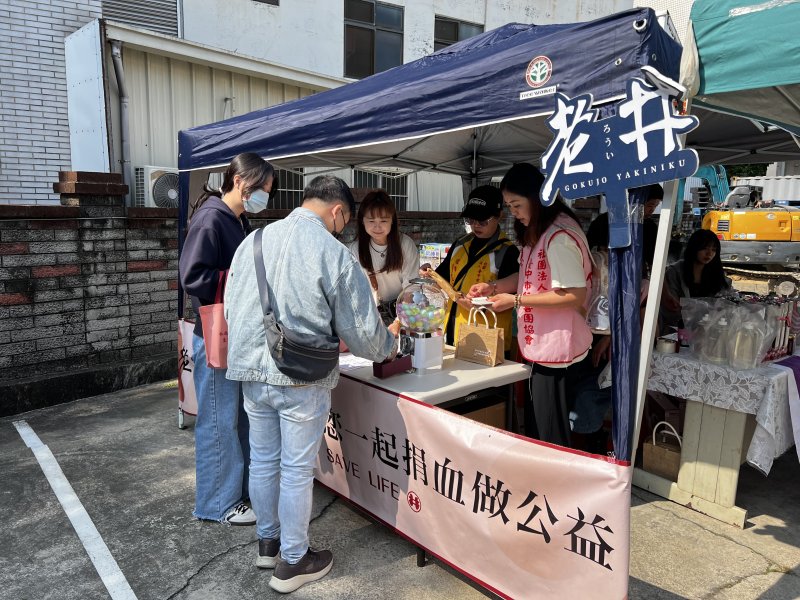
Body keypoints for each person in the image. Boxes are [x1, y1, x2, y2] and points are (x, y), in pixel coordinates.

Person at [224, 175, 400, 594]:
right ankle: (293, 560)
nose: (342, 229)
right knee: (296, 470)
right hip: (301, 376)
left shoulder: (253, 241)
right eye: (345, 222)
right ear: (338, 211)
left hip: (250, 369)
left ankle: (268, 544)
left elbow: (232, 305)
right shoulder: (333, 253)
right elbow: (364, 335)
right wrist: (391, 347)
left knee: (263, 461)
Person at [178, 152, 276, 525]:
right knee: (219, 421)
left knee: (237, 418)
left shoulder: (235, 218)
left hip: (233, 335)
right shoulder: (211, 218)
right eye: (263, 188)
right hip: (216, 336)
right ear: (239, 181)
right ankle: (218, 503)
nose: (265, 196)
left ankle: (238, 493)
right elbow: (193, 277)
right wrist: (237, 280)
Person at [468, 164, 592, 448]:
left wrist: (516, 301)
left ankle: (554, 475)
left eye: (517, 205)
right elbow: (527, 277)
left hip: (558, 347)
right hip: (543, 343)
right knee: (540, 425)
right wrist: (494, 287)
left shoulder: (559, 237)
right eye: (509, 206)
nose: (514, 212)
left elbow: (574, 294)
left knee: (550, 433)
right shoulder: (540, 230)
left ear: (537, 198)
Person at [423, 185, 519, 351]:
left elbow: (510, 299)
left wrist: (469, 302)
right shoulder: (460, 244)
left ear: (499, 216)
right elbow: (443, 276)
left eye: (482, 221)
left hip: (487, 341)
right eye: (471, 220)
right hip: (453, 331)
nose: (476, 225)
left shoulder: (508, 251)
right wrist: (428, 273)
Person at [347, 189, 419, 324]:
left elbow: (411, 288)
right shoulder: (355, 249)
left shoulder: (405, 244)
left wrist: (398, 322)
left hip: (403, 311)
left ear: (392, 221)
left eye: (384, 221)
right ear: (362, 221)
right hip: (371, 316)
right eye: (371, 221)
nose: (377, 227)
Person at [661, 228, 732, 331]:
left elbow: (725, 300)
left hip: (709, 328)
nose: (709, 253)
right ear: (694, 248)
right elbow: (670, 305)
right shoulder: (675, 272)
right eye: (705, 248)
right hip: (678, 327)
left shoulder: (717, 274)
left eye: (714, 250)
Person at [586, 183, 663, 276]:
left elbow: (653, 260)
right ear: (635, 201)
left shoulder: (650, 227)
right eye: (650, 205)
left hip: (636, 276)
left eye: (656, 206)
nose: (652, 210)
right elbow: (586, 252)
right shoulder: (603, 221)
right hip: (606, 275)